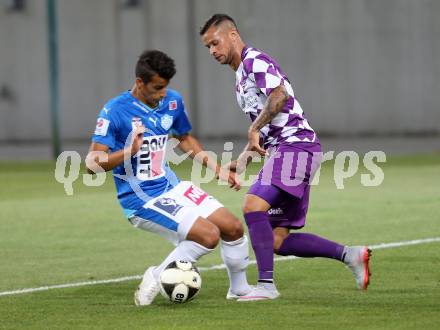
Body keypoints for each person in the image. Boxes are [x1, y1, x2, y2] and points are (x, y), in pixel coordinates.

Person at [200, 14, 371, 301]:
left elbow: (280, 97)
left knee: (252, 206)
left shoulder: (254, 61)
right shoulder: (240, 78)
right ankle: (351, 255)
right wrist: (243, 159)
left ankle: (266, 287)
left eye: (215, 43)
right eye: (207, 47)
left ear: (232, 35)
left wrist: (253, 128)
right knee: (277, 239)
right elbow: (267, 125)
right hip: (290, 149)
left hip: (295, 148)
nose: (212, 51)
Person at [86, 50, 252, 306]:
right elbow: (92, 165)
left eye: (166, 86)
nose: (162, 93)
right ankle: (157, 274)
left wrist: (217, 169)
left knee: (233, 227)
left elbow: (184, 138)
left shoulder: (172, 101)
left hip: (172, 186)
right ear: (140, 83)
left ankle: (240, 290)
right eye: (157, 87)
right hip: (141, 199)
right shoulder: (114, 111)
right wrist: (129, 151)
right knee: (208, 236)